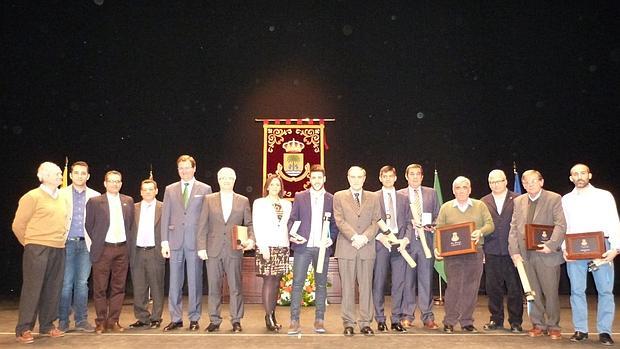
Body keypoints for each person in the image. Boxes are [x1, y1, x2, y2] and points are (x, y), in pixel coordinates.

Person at [562, 164, 619, 345]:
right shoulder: (566, 199)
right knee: (577, 291)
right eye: (575, 174)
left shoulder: (604, 196)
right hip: (574, 249)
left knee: (605, 291)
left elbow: (614, 221)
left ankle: (604, 331)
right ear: (571, 178)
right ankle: (581, 329)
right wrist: (564, 248)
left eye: (583, 173)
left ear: (590, 175)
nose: (579, 176)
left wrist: (615, 249)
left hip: (602, 248)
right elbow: (564, 226)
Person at [12, 162, 67, 344]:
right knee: (32, 288)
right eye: (57, 173)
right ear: (44, 176)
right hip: (37, 247)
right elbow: (18, 225)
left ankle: (47, 325)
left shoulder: (61, 197)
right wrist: (30, 244)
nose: (60, 176)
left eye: (60, 173)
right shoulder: (32, 196)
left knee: (53, 288)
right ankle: (24, 328)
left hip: (58, 248)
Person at [508, 170, 566, 340]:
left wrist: (551, 245)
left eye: (533, 181)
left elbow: (560, 225)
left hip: (547, 254)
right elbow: (513, 228)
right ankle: (538, 324)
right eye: (526, 182)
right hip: (525, 255)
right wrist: (515, 252)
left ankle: (554, 326)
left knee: (550, 293)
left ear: (541, 182)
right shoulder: (518, 201)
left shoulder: (554, 198)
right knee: (532, 292)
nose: (529, 185)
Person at [197, 167, 255, 333]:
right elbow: (202, 224)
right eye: (223, 178)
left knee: (235, 287)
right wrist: (201, 247)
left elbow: (249, 223)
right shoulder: (208, 199)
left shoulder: (243, 200)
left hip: (234, 250)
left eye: (230, 178)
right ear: (218, 180)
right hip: (213, 250)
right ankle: (214, 320)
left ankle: (236, 320)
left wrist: (251, 239)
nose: (227, 181)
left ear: (234, 180)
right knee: (214, 287)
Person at [435, 176, 494, 333]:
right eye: (458, 188)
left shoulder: (480, 205)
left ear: (470, 189)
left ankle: (467, 321)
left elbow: (490, 225)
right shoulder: (446, 208)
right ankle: (449, 321)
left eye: (465, 187)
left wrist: (480, 231)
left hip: (474, 253)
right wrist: (437, 247)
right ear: (453, 190)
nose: (461, 190)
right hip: (452, 255)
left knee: (471, 287)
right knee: (453, 287)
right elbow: (439, 230)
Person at [160, 155, 212, 331]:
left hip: (195, 243)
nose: (184, 171)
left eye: (187, 167)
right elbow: (165, 215)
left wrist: (204, 243)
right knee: (174, 282)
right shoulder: (170, 189)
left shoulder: (205, 189)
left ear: (194, 168)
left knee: (195, 281)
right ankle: (175, 318)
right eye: (180, 168)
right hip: (174, 242)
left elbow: (207, 218)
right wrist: (164, 241)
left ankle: (194, 318)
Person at [287, 164, 338, 335]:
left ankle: (319, 320)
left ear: (324, 179)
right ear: (310, 179)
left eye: (319, 178)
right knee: (297, 284)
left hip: (322, 249)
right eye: (313, 177)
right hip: (303, 247)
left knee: (321, 284)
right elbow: (292, 220)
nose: (316, 181)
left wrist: (330, 238)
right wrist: (293, 234)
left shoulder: (332, 199)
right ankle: (294, 321)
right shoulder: (300, 197)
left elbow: (335, 225)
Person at [333, 166, 381, 337]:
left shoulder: (374, 197)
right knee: (347, 287)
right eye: (352, 177)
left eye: (359, 177)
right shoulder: (339, 196)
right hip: (347, 246)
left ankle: (366, 323)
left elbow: (376, 221)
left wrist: (365, 237)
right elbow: (339, 220)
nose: (355, 180)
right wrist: (354, 237)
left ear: (364, 178)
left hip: (367, 248)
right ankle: (348, 322)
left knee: (366, 287)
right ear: (347, 178)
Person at [85, 170, 134, 334]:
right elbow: (89, 225)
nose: (115, 184)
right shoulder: (94, 201)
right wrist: (100, 241)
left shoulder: (128, 201)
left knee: (118, 288)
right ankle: (100, 322)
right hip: (103, 250)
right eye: (111, 181)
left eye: (118, 181)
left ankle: (113, 321)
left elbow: (131, 225)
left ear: (121, 183)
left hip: (122, 249)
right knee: (100, 288)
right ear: (105, 183)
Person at [57, 161, 100, 333]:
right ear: (71, 175)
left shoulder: (96, 196)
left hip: (86, 244)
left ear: (88, 176)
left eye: (83, 173)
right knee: (66, 283)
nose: (80, 176)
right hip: (66, 242)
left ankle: (81, 320)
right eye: (76, 173)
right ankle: (63, 321)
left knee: (82, 283)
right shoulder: (60, 194)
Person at [397, 163, 440, 329]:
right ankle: (407, 315)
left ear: (422, 176)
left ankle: (428, 316)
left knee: (426, 281)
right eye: (411, 174)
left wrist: (431, 225)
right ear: (406, 176)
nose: (415, 177)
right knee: (407, 281)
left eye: (418, 174)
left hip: (426, 243)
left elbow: (438, 215)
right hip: (407, 243)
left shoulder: (432, 193)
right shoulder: (399, 194)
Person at [479, 169, 523, 332]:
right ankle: (495, 319)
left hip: (513, 252)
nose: (495, 184)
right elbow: (480, 226)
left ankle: (516, 321)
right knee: (493, 288)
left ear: (505, 181)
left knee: (514, 289)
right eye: (492, 182)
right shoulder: (483, 201)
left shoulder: (518, 199)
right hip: (491, 251)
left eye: (498, 181)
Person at [373, 166, 412, 332]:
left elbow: (410, 221)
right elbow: (369, 220)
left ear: (395, 178)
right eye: (385, 176)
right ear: (380, 178)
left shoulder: (403, 198)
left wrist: (406, 239)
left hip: (399, 243)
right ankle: (380, 319)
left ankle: (396, 319)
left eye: (391, 176)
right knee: (379, 282)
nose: (388, 179)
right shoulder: (373, 197)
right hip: (381, 243)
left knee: (399, 283)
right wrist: (379, 236)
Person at [253, 174, 292, 332]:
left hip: (282, 245)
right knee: (269, 280)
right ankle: (268, 317)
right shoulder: (259, 203)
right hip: (266, 246)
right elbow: (256, 224)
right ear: (267, 187)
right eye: (272, 184)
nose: (275, 187)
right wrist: (261, 246)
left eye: (278, 185)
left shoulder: (286, 204)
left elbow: (288, 226)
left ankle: (273, 315)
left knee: (277, 281)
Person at [127, 179, 165, 330]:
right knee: (139, 287)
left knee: (157, 287)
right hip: (137, 252)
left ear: (156, 191)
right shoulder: (132, 208)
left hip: (155, 252)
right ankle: (142, 318)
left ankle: (156, 317)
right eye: (145, 189)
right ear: (141, 192)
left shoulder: (164, 207)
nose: (148, 192)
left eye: (151, 189)